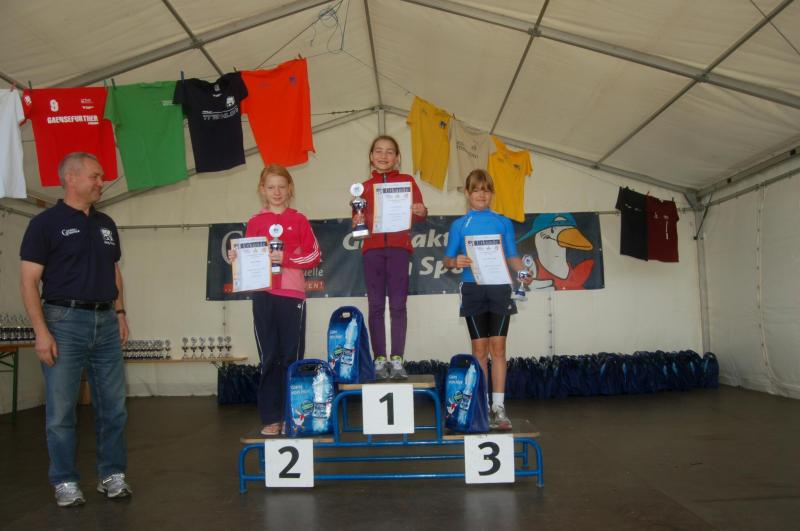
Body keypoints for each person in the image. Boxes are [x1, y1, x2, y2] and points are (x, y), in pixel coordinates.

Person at [19, 152, 132, 507]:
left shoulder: (106, 223)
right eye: (95, 176)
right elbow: (29, 281)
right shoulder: (44, 224)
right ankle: (65, 480)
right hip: (63, 322)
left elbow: (114, 271)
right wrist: (41, 331)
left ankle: (112, 475)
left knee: (114, 407)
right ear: (70, 178)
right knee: (61, 410)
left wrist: (120, 312)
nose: (101, 182)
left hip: (106, 322)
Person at [230, 164, 321, 435]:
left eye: (282, 186)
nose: (277, 192)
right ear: (262, 190)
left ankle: (293, 415)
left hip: (291, 295)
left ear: (290, 189)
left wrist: (287, 258)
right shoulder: (255, 222)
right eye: (271, 187)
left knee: (291, 355)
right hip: (263, 295)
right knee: (269, 356)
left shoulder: (299, 220)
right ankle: (271, 418)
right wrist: (237, 259)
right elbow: (249, 260)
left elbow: (314, 256)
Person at [443, 169, 532, 430]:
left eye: (486, 189)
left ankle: (498, 407)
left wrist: (524, 274)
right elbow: (447, 259)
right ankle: (481, 405)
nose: (481, 194)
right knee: (479, 351)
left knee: (499, 348)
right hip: (472, 289)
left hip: (500, 288)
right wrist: (455, 261)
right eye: (476, 190)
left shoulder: (502, 222)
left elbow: (512, 256)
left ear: (492, 193)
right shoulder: (459, 225)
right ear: (467, 193)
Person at [352, 136, 427, 379]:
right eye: (379, 151)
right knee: (375, 305)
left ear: (397, 157)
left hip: (398, 250)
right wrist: (357, 220)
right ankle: (379, 359)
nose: (383, 156)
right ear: (371, 156)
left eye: (389, 151)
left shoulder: (407, 181)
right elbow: (359, 227)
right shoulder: (362, 188)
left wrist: (421, 210)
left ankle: (397, 359)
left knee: (398, 305)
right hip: (372, 250)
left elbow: (420, 213)